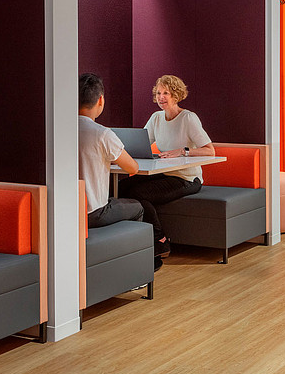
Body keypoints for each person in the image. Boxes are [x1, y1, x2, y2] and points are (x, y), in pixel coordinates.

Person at [118, 75, 214, 256]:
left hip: (186, 178)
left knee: (138, 193)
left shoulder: (188, 118)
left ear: (176, 95)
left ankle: (160, 240)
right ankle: (130, 241)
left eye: (166, 93)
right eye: (158, 93)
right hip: (164, 173)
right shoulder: (156, 118)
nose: (161, 97)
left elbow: (210, 151)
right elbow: (142, 142)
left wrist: (182, 151)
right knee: (120, 187)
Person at [78, 73, 163, 271]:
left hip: (67, 211)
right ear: (101, 100)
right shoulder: (102, 133)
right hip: (94, 212)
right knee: (138, 207)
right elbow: (132, 167)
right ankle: (137, 266)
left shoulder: (59, 130)